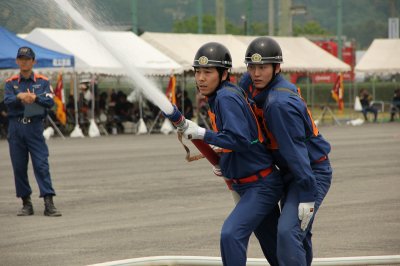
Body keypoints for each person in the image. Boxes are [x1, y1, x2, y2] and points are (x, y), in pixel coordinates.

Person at [172, 42, 283, 266]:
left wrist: (203, 133)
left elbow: (240, 140)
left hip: (259, 186)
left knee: (231, 235)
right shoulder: (224, 94)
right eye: (197, 72)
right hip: (254, 181)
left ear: (223, 74)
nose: (201, 78)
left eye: (207, 72)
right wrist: (225, 160)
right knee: (276, 253)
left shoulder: (225, 98)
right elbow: (242, 137)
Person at [240, 37, 332, 266]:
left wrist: (308, 195)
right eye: (252, 67)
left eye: (263, 67)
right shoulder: (251, 83)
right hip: (288, 170)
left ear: (277, 67)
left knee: (288, 233)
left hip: (308, 172)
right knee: (299, 235)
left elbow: (295, 153)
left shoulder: (278, 104)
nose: (256, 73)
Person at [3, 46, 61, 217]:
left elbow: (50, 101)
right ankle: (26, 202)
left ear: (34, 61)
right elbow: (7, 100)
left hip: (34, 127)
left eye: (28, 59)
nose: (24, 62)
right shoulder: (11, 82)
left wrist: (36, 97)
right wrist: (19, 96)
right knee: (19, 167)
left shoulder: (42, 81)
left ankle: (48, 202)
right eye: (21, 59)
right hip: (16, 128)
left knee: (41, 164)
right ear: (17, 61)